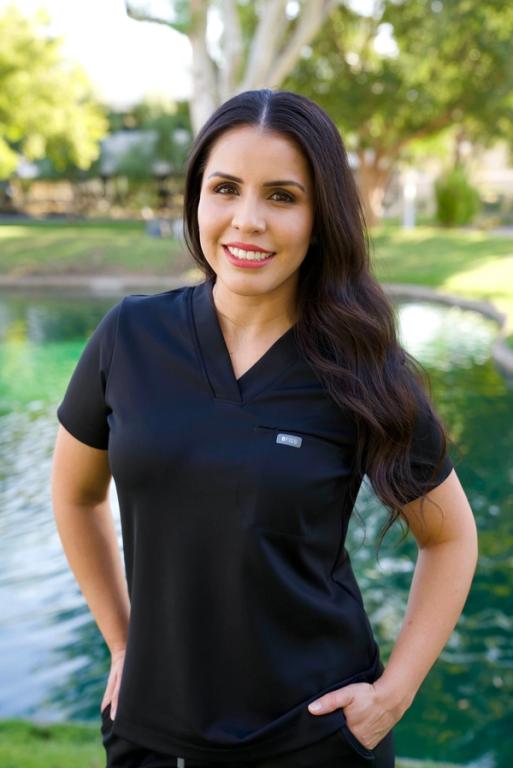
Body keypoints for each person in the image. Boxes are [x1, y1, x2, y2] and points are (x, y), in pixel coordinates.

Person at [51, 89, 478, 768]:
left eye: (282, 196)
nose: (247, 220)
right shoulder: (129, 336)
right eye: (225, 189)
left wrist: (391, 696)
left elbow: (449, 536)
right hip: (150, 733)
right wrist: (124, 642)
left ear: (320, 216)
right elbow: (75, 495)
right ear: (196, 198)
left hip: (314, 737)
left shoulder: (361, 369)